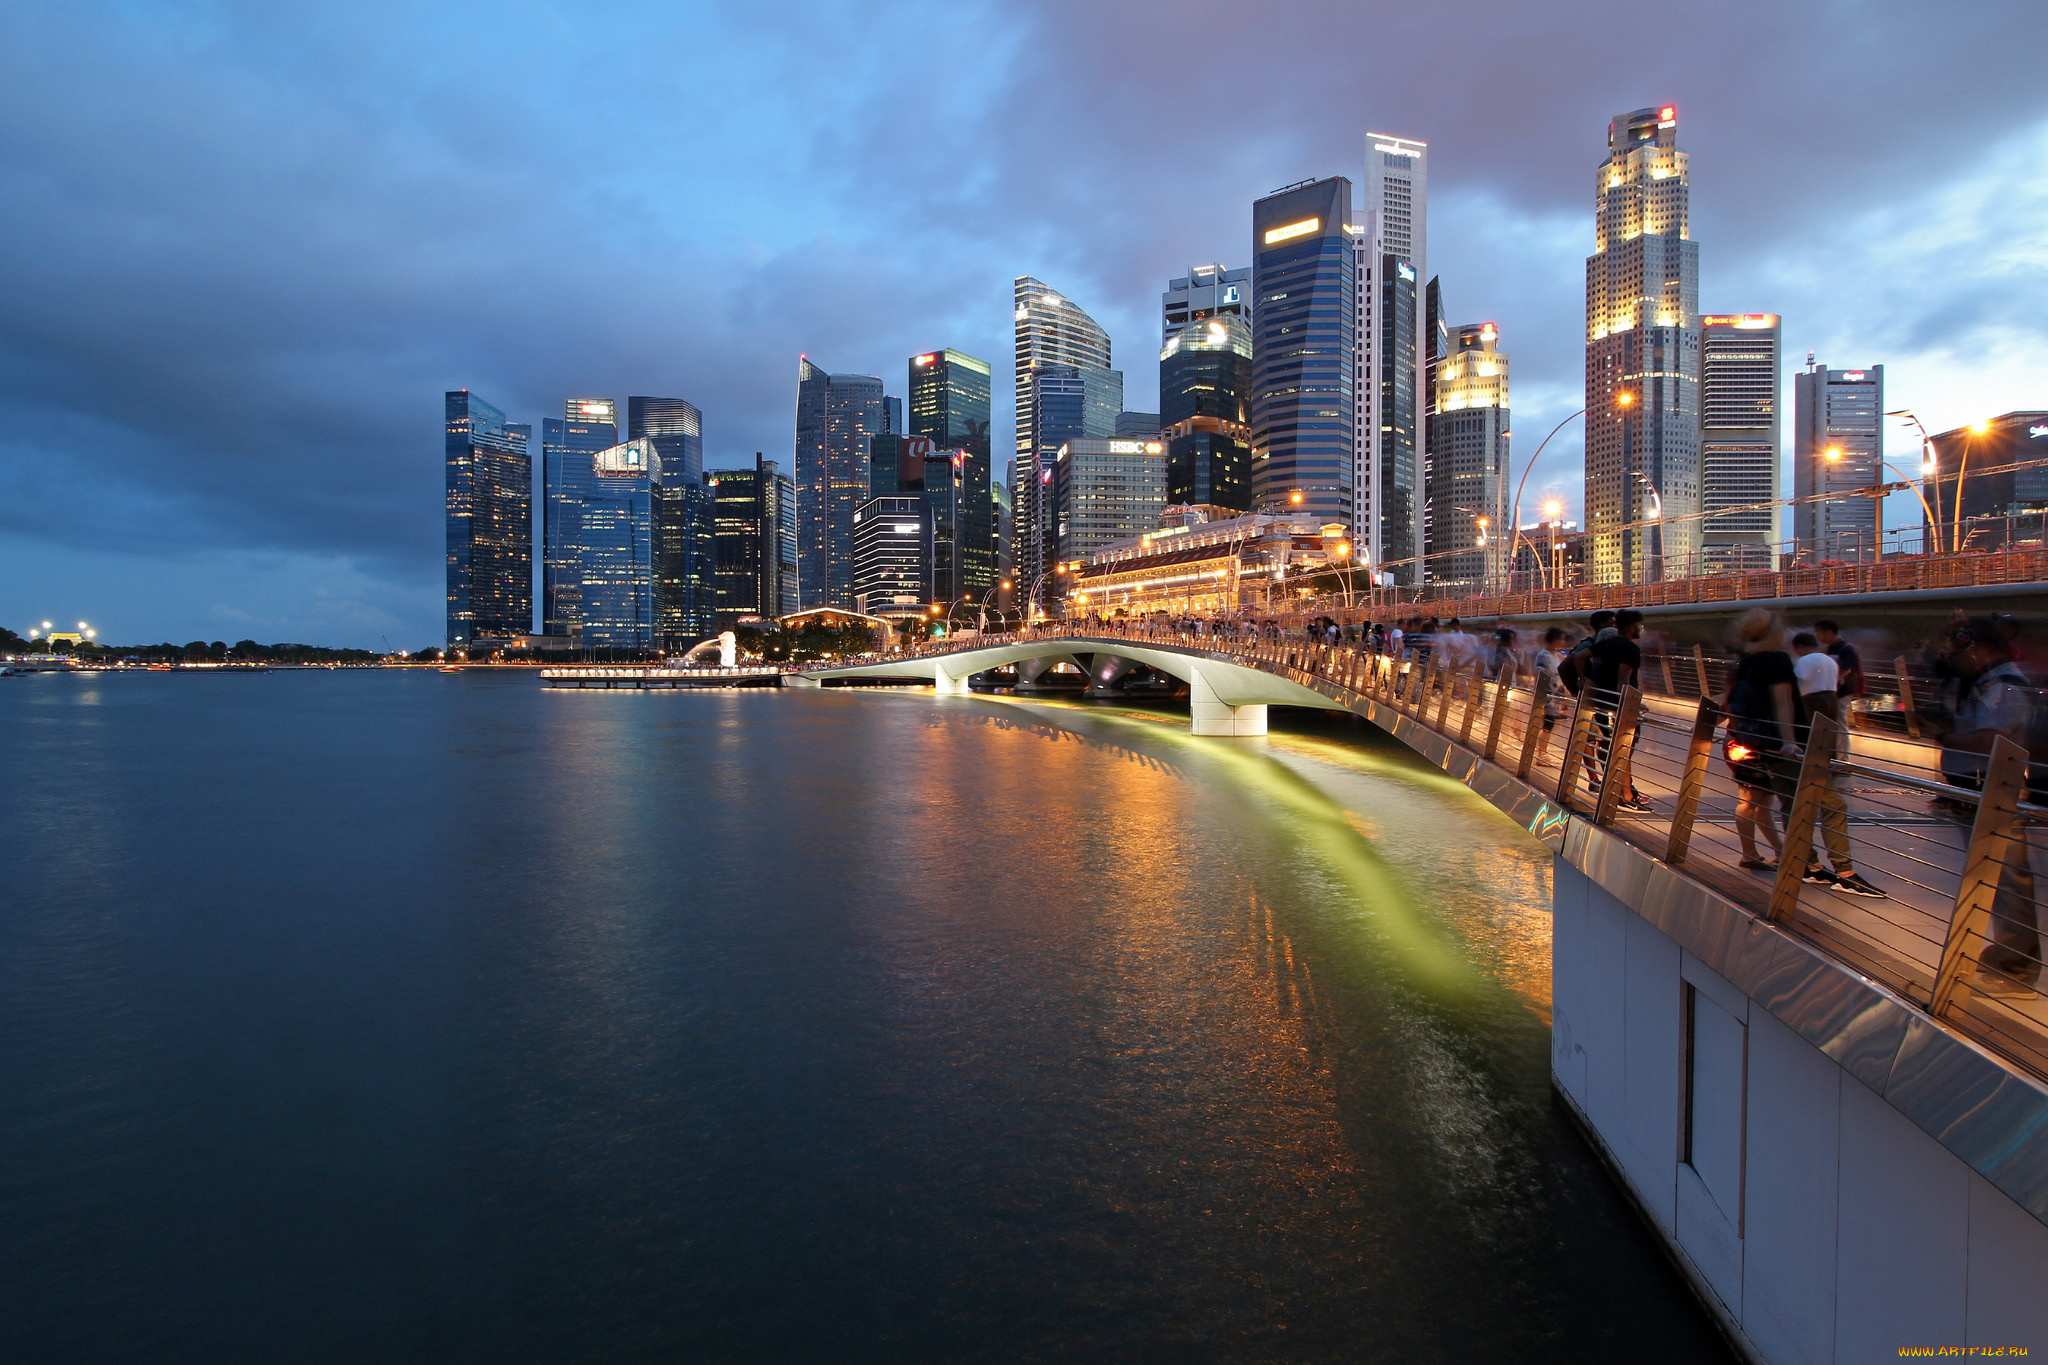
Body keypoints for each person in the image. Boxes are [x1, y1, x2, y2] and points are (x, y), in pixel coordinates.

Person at [1937, 619, 2043, 994]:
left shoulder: (2004, 686)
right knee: (1993, 879)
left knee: (2007, 879)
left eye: (1957, 651)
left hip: (1996, 792)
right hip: (1979, 791)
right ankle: (2004, 957)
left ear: (1977, 649)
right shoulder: (1985, 683)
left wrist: (1944, 735)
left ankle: (2016, 964)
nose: (1952, 659)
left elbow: (1990, 738)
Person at [1790, 631, 1886, 897]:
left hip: (1801, 743)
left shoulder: (1802, 676)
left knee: (1800, 804)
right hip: (1817, 745)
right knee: (1828, 805)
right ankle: (1840, 871)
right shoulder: (1828, 676)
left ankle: (1809, 863)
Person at [1722, 608, 1803, 873]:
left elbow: (1730, 703)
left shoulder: (1746, 661)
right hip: (1773, 745)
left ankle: (1763, 853)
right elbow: (1783, 702)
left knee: (1752, 800)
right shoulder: (1777, 660)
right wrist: (1790, 741)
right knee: (1779, 801)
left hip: (1745, 740)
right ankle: (1799, 860)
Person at [1588, 609, 1651, 811]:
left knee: (1612, 749)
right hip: (1619, 707)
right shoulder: (1630, 648)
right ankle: (1625, 796)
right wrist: (1630, 703)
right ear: (1632, 626)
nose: (1642, 629)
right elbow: (1624, 678)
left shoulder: (1604, 644)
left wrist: (1585, 685)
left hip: (1601, 704)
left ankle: (1622, 794)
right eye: (1640, 625)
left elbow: (1579, 657)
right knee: (1624, 750)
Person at [1814, 619, 1863, 700]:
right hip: (1835, 692)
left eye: (1818, 632)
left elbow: (1845, 670)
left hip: (1844, 693)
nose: (1816, 635)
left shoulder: (1847, 649)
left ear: (1830, 633)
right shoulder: (1831, 648)